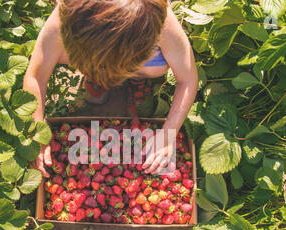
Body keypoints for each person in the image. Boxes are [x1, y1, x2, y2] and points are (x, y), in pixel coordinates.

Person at [23, 0, 198, 178]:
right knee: (53, 51)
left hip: (136, 43)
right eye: (102, 68)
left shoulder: (157, 21)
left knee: (154, 67)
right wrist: (37, 131)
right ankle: (98, 74)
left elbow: (188, 79)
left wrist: (169, 133)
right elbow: (36, 76)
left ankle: (136, 75)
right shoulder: (69, 16)